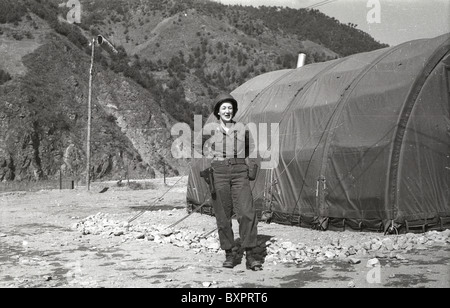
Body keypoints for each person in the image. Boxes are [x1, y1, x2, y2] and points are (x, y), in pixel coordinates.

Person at [203, 92, 262, 271]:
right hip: (219, 172)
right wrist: (211, 158)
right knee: (223, 215)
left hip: (239, 172)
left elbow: (250, 149)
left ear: (233, 110)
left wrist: (246, 162)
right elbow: (200, 147)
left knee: (246, 212)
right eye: (224, 108)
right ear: (218, 112)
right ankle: (229, 254)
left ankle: (251, 255)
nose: (227, 111)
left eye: (230, 108)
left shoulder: (242, 128)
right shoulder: (210, 130)